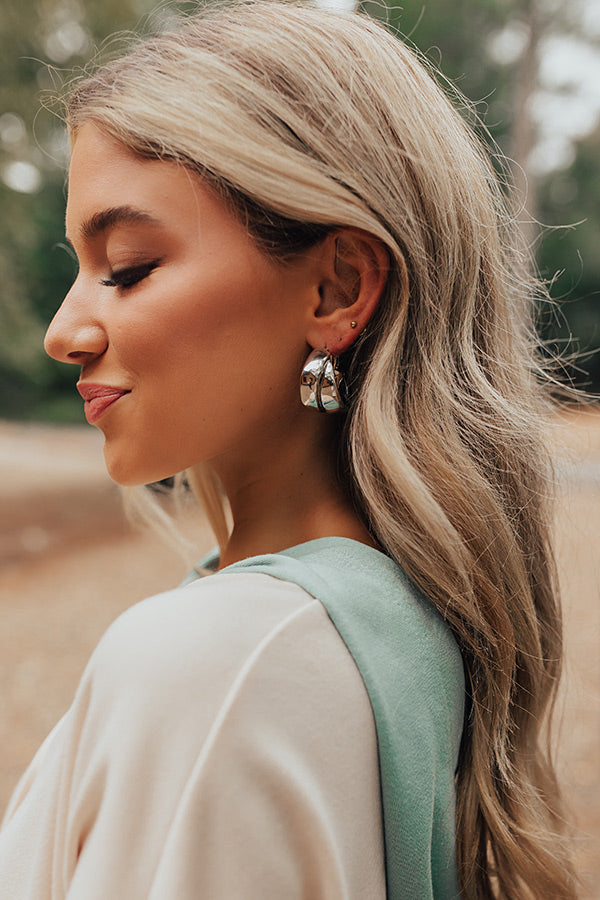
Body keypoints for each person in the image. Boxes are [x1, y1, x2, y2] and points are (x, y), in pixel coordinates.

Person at [0, 2, 577, 898]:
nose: (64, 331)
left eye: (128, 266)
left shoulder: (223, 658)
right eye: (79, 267)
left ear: (338, 284)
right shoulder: (405, 622)